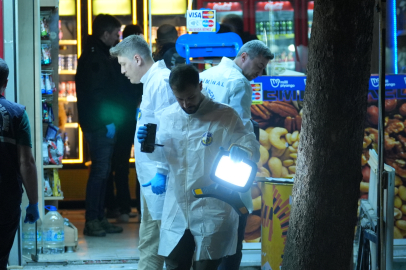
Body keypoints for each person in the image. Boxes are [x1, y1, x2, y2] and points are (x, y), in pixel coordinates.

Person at [137, 64, 260, 270]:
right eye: (180, 99)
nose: (186, 104)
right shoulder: (168, 116)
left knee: (206, 265)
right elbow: (165, 156)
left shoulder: (224, 115)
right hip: (177, 205)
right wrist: (148, 147)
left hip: (212, 204)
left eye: (191, 97)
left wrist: (242, 150)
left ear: (200, 86)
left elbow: (250, 146)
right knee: (175, 263)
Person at [200, 40, 273, 270]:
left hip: (203, 161)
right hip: (229, 164)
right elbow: (241, 129)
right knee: (234, 230)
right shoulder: (240, 83)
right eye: (259, 66)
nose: (259, 74)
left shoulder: (209, 73)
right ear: (243, 57)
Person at [110, 34, 176, 270]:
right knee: (150, 244)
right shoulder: (152, 83)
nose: (122, 71)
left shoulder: (161, 83)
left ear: (137, 59)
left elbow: (170, 132)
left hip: (160, 180)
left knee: (152, 245)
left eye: (123, 65)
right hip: (152, 181)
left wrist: (161, 171)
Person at [75, 14, 123, 236]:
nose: (117, 38)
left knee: (102, 172)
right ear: (105, 34)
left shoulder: (96, 54)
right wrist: (107, 122)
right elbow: (98, 94)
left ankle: (99, 217)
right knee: (100, 172)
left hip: (98, 123)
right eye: (115, 34)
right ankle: (93, 219)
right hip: (99, 124)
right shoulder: (96, 58)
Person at [0, 58, 39, 270]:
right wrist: (33, 202)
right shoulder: (17, 114)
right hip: (6, 198)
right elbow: (27, 162)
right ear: (5, 83)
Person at [105, 24, 144, 223]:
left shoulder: (116, 60)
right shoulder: (138, 61)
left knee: (120, 163)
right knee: (141, 161)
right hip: (133, 116)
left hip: (122, 117)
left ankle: (124, 207)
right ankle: (139, 208)